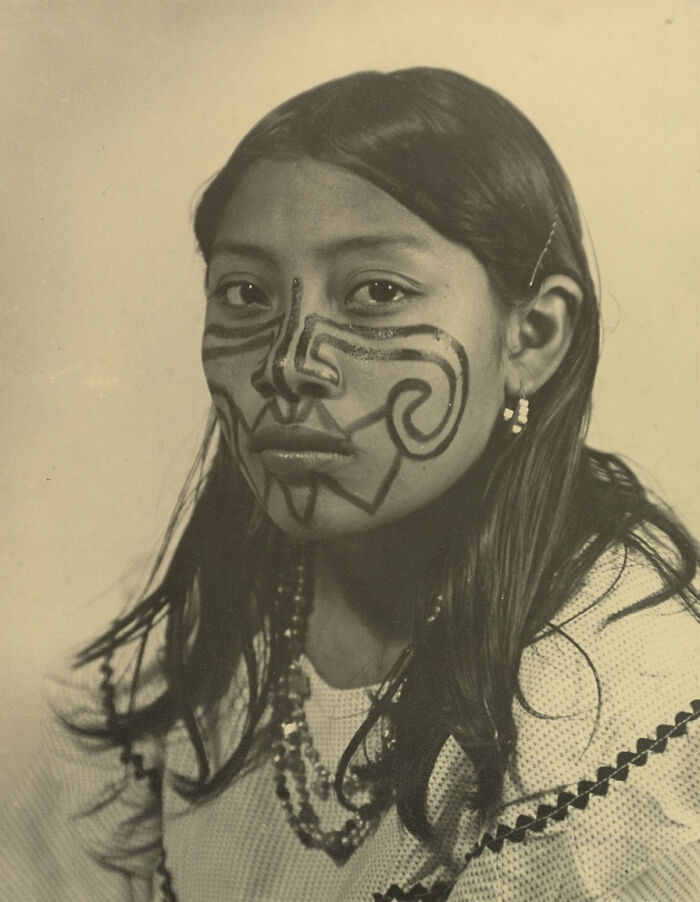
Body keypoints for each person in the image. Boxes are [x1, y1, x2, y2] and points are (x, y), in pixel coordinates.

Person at [3, 67, 699, 901]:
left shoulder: (627, 712)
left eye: (376, 292)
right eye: (245, 294)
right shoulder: (191, 650)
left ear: (535, 336)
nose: (290, 363)